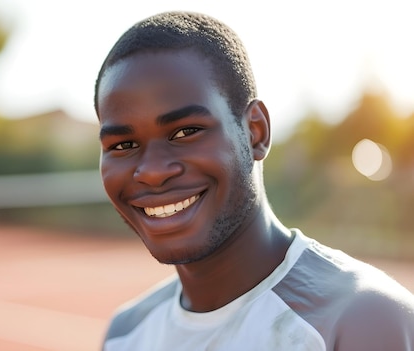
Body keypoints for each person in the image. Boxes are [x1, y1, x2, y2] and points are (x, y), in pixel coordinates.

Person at [93, 11, 414, 350]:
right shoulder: (124, 334)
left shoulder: (361, 321)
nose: (153, 171)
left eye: (186, 131)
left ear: (255, 132)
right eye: (123, 145)